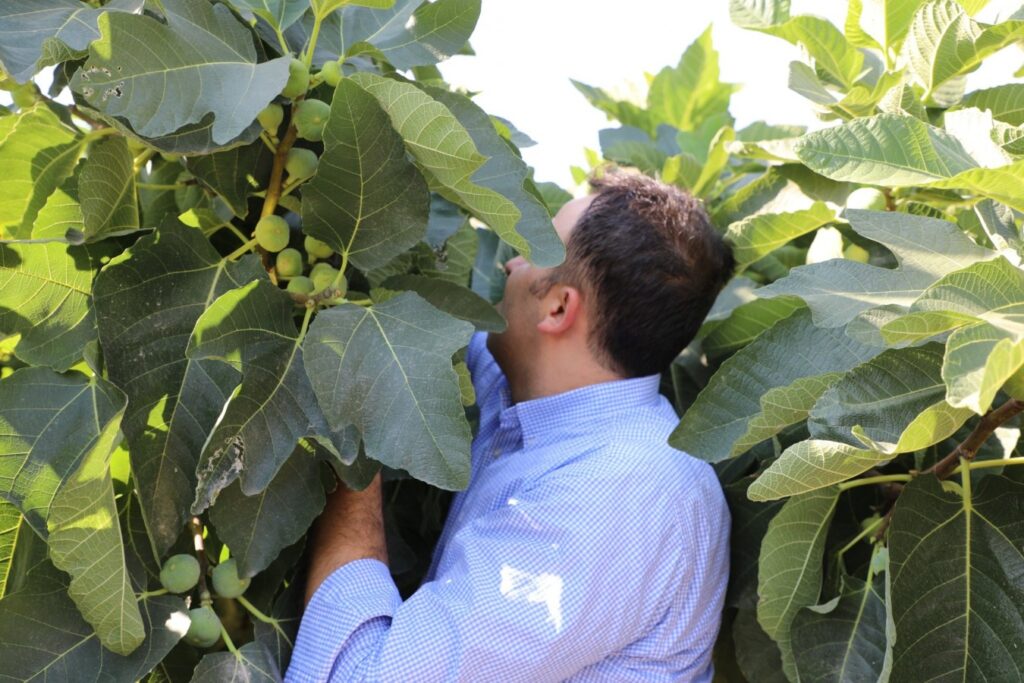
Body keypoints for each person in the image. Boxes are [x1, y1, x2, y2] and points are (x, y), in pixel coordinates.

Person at [286, 172, 736, 682]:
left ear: (558, 306)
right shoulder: (530, 390)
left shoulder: (618, 498)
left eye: (535, 249)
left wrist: (355, 455)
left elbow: (361, 675)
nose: (511, 262)